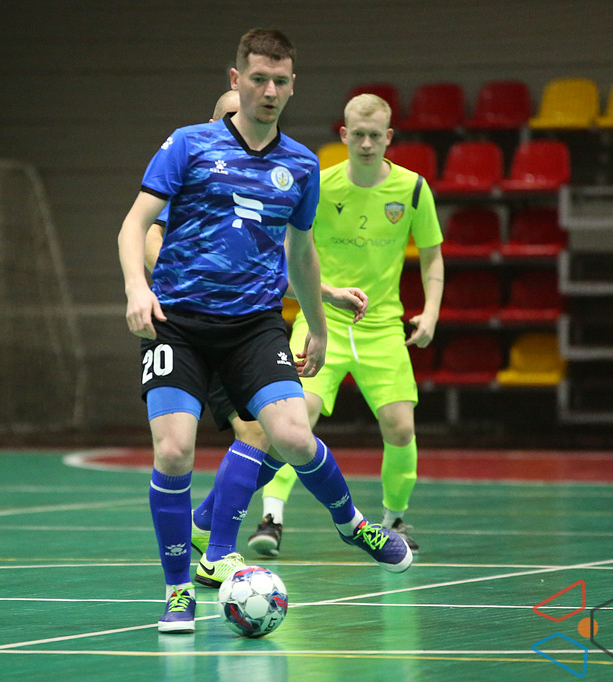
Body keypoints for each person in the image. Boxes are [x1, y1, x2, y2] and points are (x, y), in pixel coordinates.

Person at [117, 29, 411, 635]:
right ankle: (178, 590)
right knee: (173, 451)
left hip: (254, 326)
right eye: (258, 79)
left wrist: (319, 326)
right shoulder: (188, 144)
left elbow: (299, 255)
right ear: (237, 80)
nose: (269, 90)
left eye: (280, 81)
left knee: (293, 436)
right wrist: (137, 289)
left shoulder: (301, 165)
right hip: (179, 325)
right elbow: (134, 224)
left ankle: (353, 524)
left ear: (293, 86)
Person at [247, 93, 445, 559]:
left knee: (400, 428)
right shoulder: (320, 183)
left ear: (389, 137)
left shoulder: (413, 190)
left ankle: (393, 519)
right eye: (358, 135)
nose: (367, 143)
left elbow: (432, 256)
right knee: (294, 420)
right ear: (344, 135)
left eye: (375, 135)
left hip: (383, 327)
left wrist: (431, 311)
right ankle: (271, 518)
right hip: (321, 320)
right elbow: (291, 249)